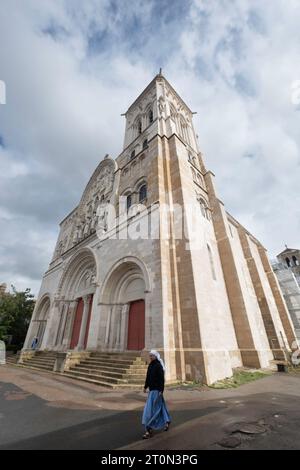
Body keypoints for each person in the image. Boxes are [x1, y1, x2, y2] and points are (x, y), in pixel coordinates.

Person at [142, 349, 171, 439]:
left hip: (157, 390)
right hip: (152, 390)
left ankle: (149, 429)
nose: (150, 357)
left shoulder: (158, 366)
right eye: (150, 355)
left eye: (152, 356)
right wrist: (145, 386)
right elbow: (148, 376)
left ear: (156, 356)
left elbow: (161, 379)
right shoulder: (150, 365)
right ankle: (167, 421)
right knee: (160, 407)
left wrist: (161, 391)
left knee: (150, 410)